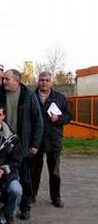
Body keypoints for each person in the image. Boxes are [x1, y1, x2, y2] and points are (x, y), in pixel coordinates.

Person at [0, 69, 43, 220]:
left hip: (22, 144)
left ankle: (25, 207)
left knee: (25, 177)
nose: (3, 81)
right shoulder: (0, 94)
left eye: (7, 79)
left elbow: (38, 121)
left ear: (17, 81)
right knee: (4, 175)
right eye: (4, 79)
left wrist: (35, 144)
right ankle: (7, 203)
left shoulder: (29, 96)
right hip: (4, 144)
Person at [31, 71, 72, 208]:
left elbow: (68, 116)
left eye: (47, 80)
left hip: (53, 139)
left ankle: (56, 197)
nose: (44, 83)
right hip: (36, 140)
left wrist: (58, 119)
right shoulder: (31, 97)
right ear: (38, 81)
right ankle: (31, 196)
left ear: (51, 82)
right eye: (42, 80)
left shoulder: (60, 98)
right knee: (34, 171)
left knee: (54, 172)